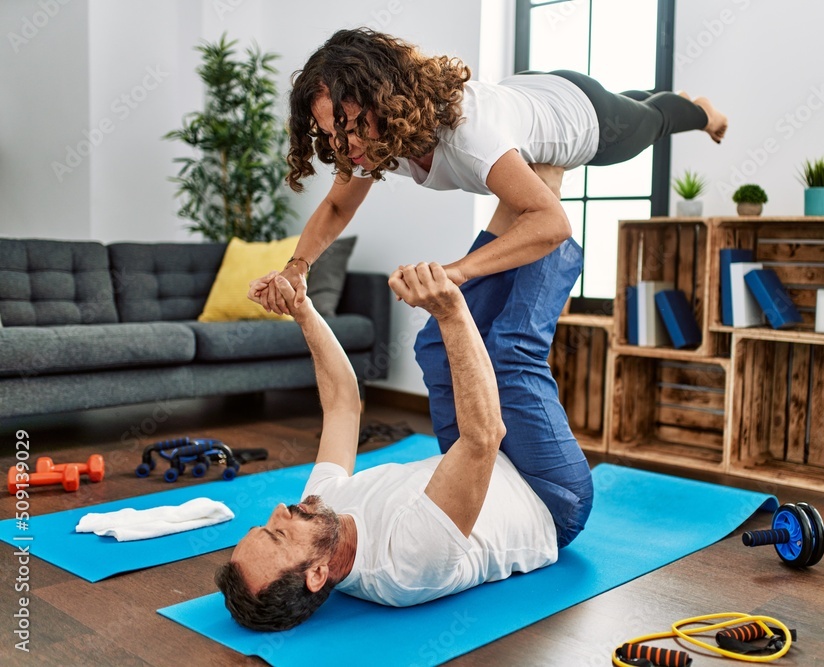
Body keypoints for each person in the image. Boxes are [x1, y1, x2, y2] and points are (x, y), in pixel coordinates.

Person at [217, 225, 591, 632]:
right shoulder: (407, 564)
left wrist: (303, 311)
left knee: (431, 346)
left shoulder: (318, 515)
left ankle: (513, 219)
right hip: (543, 495)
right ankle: (550, 221)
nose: (278, 511)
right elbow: (484, 437)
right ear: (317, 575)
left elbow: (343, 405)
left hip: (468, 461)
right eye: (278, 535)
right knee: (511, 352)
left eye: (265, 525)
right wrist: (450, 309)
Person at [248, 27, 727, 315]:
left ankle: (700, 109)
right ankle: (661, 102)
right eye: (331, 134)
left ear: (386, 103)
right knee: (639, 103)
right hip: (531, 93)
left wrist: (457, 272)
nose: (344, 147)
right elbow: (335, 204)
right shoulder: (365, 143)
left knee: (658, 118)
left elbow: (552, 222)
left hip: (590, 121)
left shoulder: (468, 136)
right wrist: (297, 267)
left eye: (351, 128)